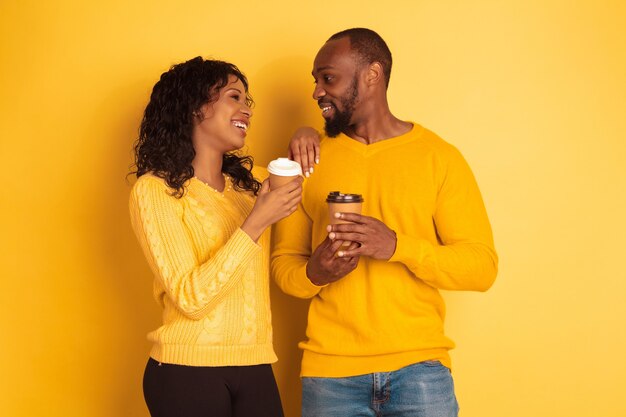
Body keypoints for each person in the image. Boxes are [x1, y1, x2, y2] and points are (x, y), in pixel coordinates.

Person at [273, 28, 498, 417]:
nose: (316, 92)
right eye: (315, 81)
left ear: (372, 75)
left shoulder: (438, 158)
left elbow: (482, 267)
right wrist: (316, 272)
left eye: (328, 78)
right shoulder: (307, 161)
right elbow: (283, 266)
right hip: (330, 376)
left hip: (421, 372)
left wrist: (396, 246)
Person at [129, 56, 311, 417]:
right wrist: (256, 222)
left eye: (247, 100)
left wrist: (305, 134)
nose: (247, 109)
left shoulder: (253, 186)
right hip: (186, 372)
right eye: (234, 97)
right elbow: (191, 298)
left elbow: (307, 170)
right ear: (196, 107)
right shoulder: (154, 190)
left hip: (256, 365)